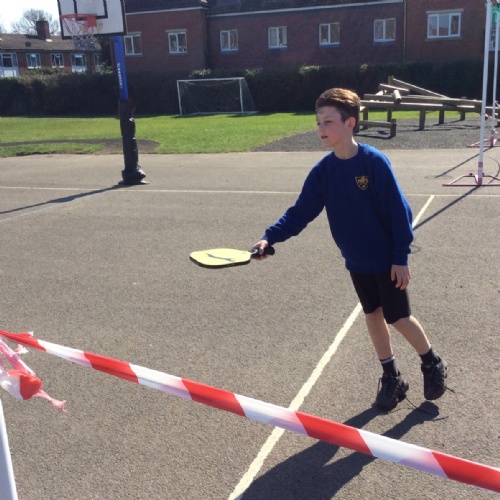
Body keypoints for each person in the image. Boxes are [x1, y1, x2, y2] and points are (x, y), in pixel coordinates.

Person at [252, 88, 448, 411]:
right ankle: (392, 377)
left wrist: (400, 258)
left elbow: (400, 212)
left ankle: (432, 362)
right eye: (318, 122)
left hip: (387, 260)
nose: (321, 128)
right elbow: (300, 213)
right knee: (372, 315)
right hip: (356, 261)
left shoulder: (373, 163)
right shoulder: (323, 172)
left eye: (328, 121)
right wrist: (269, 238)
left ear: (350, 123)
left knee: (399, 317)